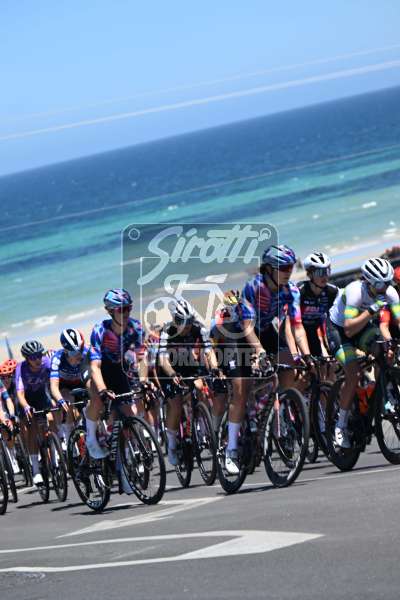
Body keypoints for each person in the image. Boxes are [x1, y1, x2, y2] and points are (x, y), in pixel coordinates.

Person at [328, 257, 400, 448]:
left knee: (385, 351)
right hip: (339, 330)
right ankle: (340, 425)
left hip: (363, 327)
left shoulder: (390, 292)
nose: (385, 287)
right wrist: (371, 310)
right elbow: (348, 330)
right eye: (380, 284)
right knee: (354, 374)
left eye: (388, 282)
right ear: (368, 282)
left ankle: (386, 395)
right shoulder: (355, 292)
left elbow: (399, 320)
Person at [85, 288, 147, 464]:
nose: (126, 313)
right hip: (97, 369)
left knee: (128, 415)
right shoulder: (100, 331)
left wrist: (144, 381)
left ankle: (125, 460)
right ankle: (91, 437)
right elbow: (95, 367)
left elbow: (141, 358)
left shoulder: (136, 328)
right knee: (98, 399)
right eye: (121, 309)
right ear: (110, 311)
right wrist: (103, 390)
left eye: (129, 308)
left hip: (118, 370)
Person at [157, 297, 221, 466]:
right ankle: (171, 444)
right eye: (182, 321)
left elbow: (209, 351)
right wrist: (172, 374)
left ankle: (203, 428)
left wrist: (215, 368)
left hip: (187, 362)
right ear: (174, 319)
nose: (187, 325)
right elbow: (162, 359)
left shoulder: (198, 328)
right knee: (176, 405)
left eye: (189, 321)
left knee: (201, 389)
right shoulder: (167, 331)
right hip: (168, 367)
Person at [15, 340, 52, 485]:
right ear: (26, 359)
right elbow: (19, 393)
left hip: (41, 396)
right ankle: (36, 470)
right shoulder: (21, 368)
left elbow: (55, 382)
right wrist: (25, 406)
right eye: (33, 357)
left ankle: (56, 457)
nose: (37, 359)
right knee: (33, 429)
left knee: (51, 419)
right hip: (26, 400)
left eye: (39, 355)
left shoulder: (47, 362)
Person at [49, 328, 89, 447]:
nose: (78, 354)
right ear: (65, 351)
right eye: (73, 352)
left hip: (82, 383)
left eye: (80, 349)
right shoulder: (57, 359)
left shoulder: (86, 352)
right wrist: (60, 400)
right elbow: (54, 386)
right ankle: (69, 441)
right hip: (65, 387)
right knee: (68, 402)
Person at [299, 252, 339, 357]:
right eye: (320, 272)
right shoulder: (300, 291)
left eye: (327, 271)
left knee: (324, 361)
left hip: (314, 330)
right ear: (309, 274)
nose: (324, 276)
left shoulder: (332, 291)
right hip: (298, 329)